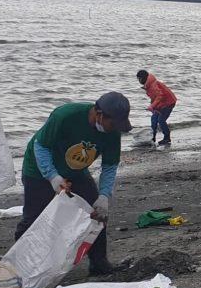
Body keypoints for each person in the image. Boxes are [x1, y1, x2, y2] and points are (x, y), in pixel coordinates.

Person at [16, 92, 133, 276]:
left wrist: (104, 195)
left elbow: (109, 166)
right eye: (113, 124)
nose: (114, 129)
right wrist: (53, 177)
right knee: (34, 218)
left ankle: (99, 263)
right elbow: (41, 146)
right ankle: (19, 266)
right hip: (39, 169)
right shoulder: (65, 116)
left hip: (76, 171)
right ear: (99, 114)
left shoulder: (112, 133)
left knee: (97, 213)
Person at [136, 69, 177, 146]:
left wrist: (152, 106)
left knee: (161, 120)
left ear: (144, 78)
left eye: (140, 78)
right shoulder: (149, 85)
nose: (139, 81)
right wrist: (153, 107)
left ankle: (167, 138)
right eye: (138, 79)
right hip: (161, 104)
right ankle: (152, 138)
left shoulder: (153, 85)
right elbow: (154, 98)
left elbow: (160, 96)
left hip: (169, 103)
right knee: (154, 119)